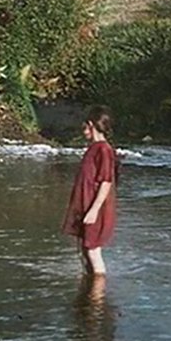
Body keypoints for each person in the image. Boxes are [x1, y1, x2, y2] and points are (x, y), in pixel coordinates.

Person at [62, 106, 118, 275]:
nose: (83, 130)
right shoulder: (94, 148)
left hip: (95, 209)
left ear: (91, 125)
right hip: (86, 206)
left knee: (93, 251)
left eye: (84, 126)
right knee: (85, 250)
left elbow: (106, 182)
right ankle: (89, 292)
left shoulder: (103, 150)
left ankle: (97, 297)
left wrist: (93, 211)